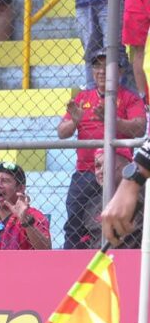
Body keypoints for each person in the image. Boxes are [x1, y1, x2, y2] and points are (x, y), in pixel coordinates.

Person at [56, 54, 146, 249]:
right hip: (86, 171)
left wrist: (112, 120)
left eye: (108, 66)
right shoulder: (82, 98)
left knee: (129, 218)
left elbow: (140, 128)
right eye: (97, 66)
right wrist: (75, 121)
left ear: (120, 72)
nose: (102, 71)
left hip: (118, 171)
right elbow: (62, 132)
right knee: (74, 224)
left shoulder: (129, 98)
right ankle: (70, 265)